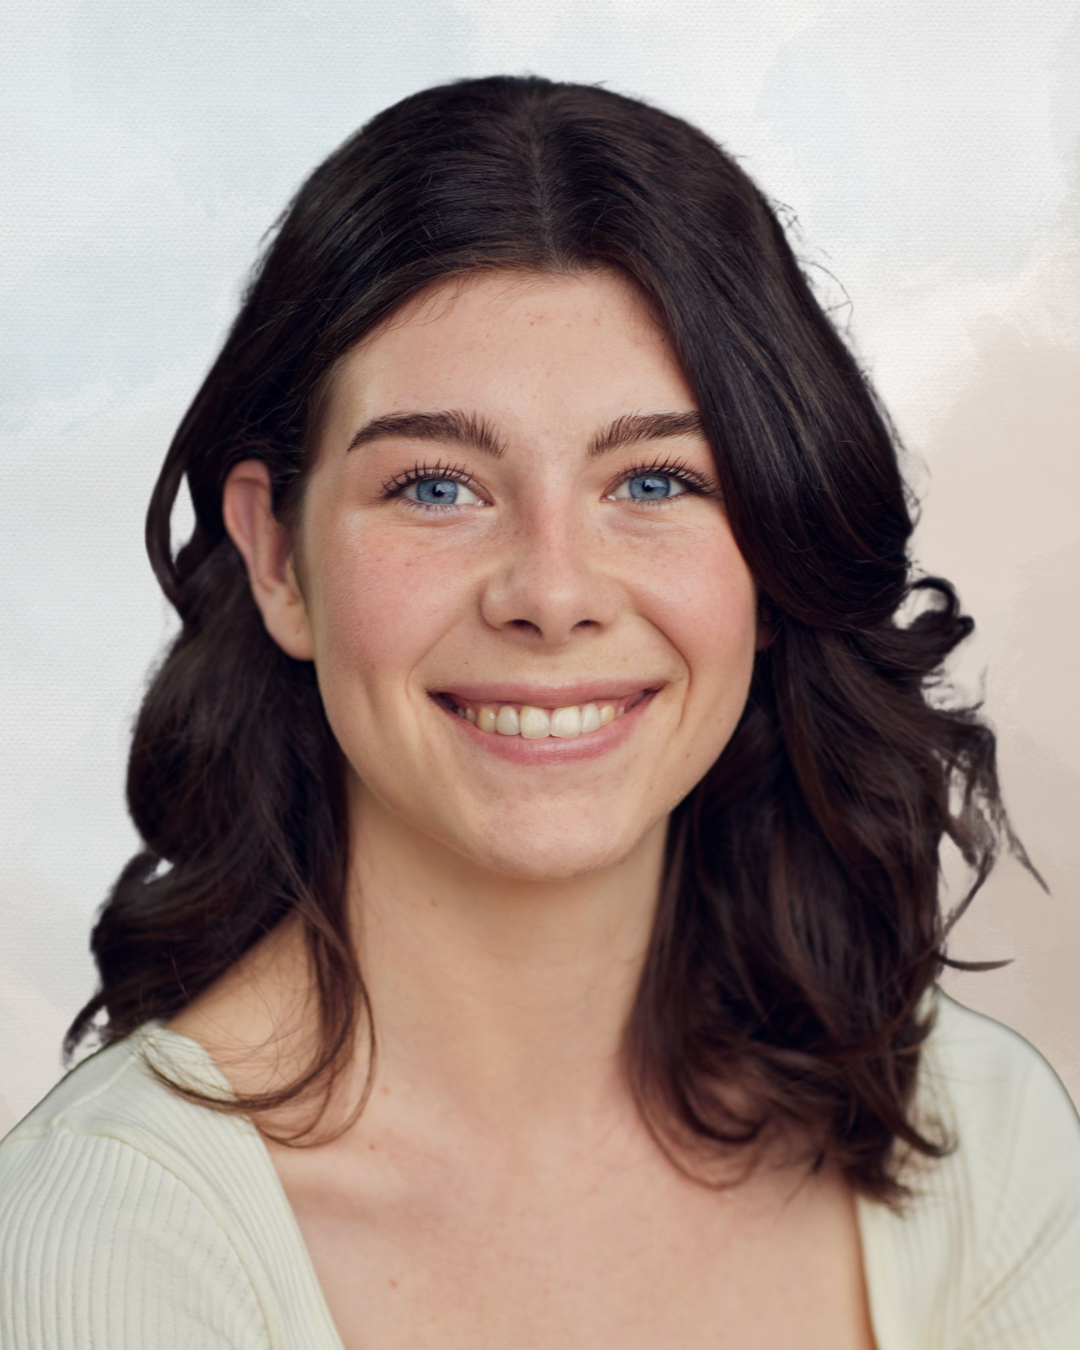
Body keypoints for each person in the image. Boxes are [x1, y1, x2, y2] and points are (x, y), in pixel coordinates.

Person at [1, 73, 1078, 1350]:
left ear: (774, 550)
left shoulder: (978, 1134)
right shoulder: (107, 1244)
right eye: (440, 487)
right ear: (278, 561)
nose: (553, 593)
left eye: (660, 478)